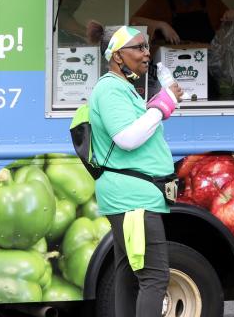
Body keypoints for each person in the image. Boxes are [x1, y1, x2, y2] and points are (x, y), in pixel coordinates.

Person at [87, 26, 183, 316]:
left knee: (128, 277)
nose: (146, 53)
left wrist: (161, 104)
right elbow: (127, 139)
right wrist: (163, 105)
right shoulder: (110, 89)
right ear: (117, 56)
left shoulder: (122, 88)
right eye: (138, 47)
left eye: (147, 46)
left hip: (132, 198)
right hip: (133, 201)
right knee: (154, 278)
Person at [131, 0, 234, 98]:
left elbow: (230, 24)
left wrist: (232, 16)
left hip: (206, 69)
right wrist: (160, 25)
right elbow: (134, 22)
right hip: (171, 71)